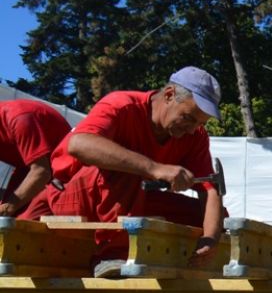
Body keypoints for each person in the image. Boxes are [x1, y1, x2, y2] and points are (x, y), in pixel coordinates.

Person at [21, 66, 225, 264]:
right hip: (72, 197)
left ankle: (190, 259)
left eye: (200, 123)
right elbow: (78, 144)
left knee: (210, 217)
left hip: (127, 201)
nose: (192, 130)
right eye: (188, 118)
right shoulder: (121, 105)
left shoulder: (195, 137)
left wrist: (210, 238)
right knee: (128, 166)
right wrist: (155, 168)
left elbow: (210, 189)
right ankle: (111, 254)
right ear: (169, 95)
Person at [0, 100, 71, 217]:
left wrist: (7, 208)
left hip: (61, 170)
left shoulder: (19, 119)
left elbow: (41, 172)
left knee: (21, 221)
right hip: (30, 168)